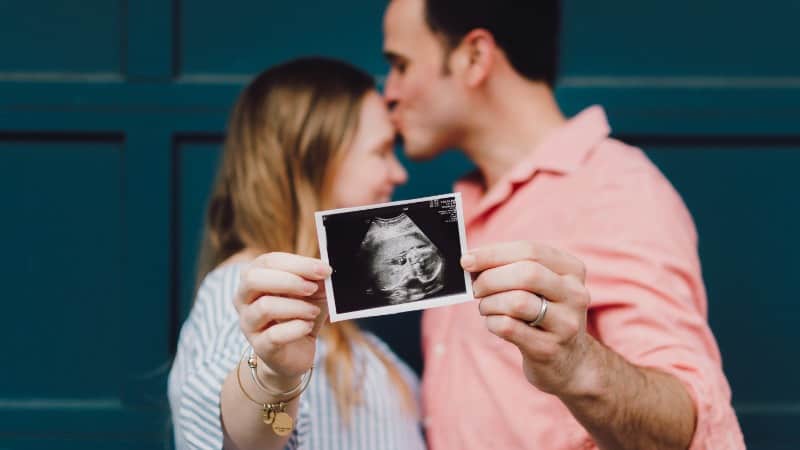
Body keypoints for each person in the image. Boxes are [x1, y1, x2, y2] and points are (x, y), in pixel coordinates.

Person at [381, 0, 746, 448]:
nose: (390, 92)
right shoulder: (461, 207)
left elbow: (688, 424)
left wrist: (576, 365)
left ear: (475, 56)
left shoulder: (614, 190)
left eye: (400, 64)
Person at [167, 57, 425, 450]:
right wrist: (273, 378)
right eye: (382, 151)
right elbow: (245, 436)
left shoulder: (327, 313)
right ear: (311, 160)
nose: (398, 173)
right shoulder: (247, 297)